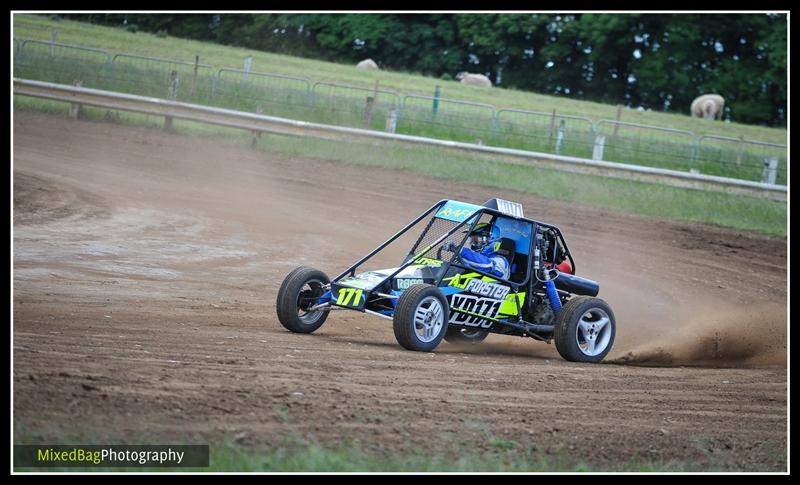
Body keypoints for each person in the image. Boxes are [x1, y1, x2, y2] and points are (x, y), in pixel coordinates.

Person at [443, 222, 511, 279]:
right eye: (472, 240)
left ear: (489, 240)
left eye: (475, 241)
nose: (472, 244)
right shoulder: (473, 259)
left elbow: (486, 265)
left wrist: (460, 250)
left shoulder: (501, 261)